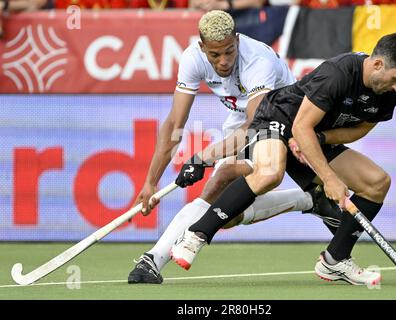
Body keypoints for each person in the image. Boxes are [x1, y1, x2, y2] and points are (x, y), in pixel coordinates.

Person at [170, 32, 396, 285]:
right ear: (378, 64)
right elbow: (301, 126)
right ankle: (196, 235)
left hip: (315, 133)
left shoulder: (390, 92)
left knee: (377, 182)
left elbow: (360, 129)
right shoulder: (338, 73)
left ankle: (335, 261)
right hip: (277, 118)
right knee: (270, 173)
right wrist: (329, 179)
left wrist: (322, 140)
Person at [128, 10, 342, 284]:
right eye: (215, 55)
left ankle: (153, 259)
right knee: (226, 216)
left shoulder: (257, 61)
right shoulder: (192, 58)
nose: (224, 61)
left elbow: (257, 125)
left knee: (222, 179)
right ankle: (310, 200)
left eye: (229, 51)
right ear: (202, 47)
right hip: (242, 118)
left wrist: (204, 157)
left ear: (237, 40)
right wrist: (150, 182)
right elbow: (174, 124)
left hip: (283, 117)